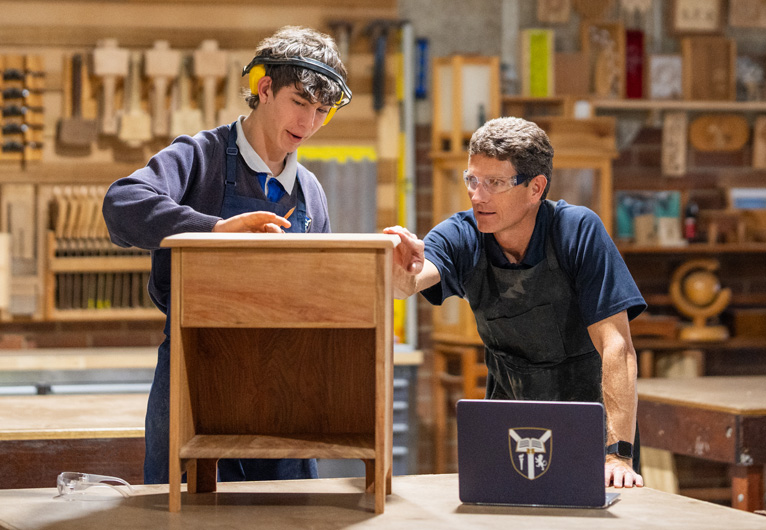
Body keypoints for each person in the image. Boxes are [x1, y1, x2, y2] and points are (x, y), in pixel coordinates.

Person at [102, 26, 351, 484]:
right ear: (265, 88)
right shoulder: (201, 158)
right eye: (299, 103)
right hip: (196, 375)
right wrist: (215, 229)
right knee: (182, 511)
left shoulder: (309, 191)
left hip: (287, 388)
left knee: (290, 514)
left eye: (321, 110)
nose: (309, 123)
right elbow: (122, 205)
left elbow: (323, 295)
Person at [387, 117, 646, 488]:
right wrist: (399, 267)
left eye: (495, 183)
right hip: (510, 417)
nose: (478, 196)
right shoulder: (462, 234)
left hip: (592, 423)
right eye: (472, 181)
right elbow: (410, 282)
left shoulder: (575, 231)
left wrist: (618, 453)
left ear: (535, 188)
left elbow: (617, 346)